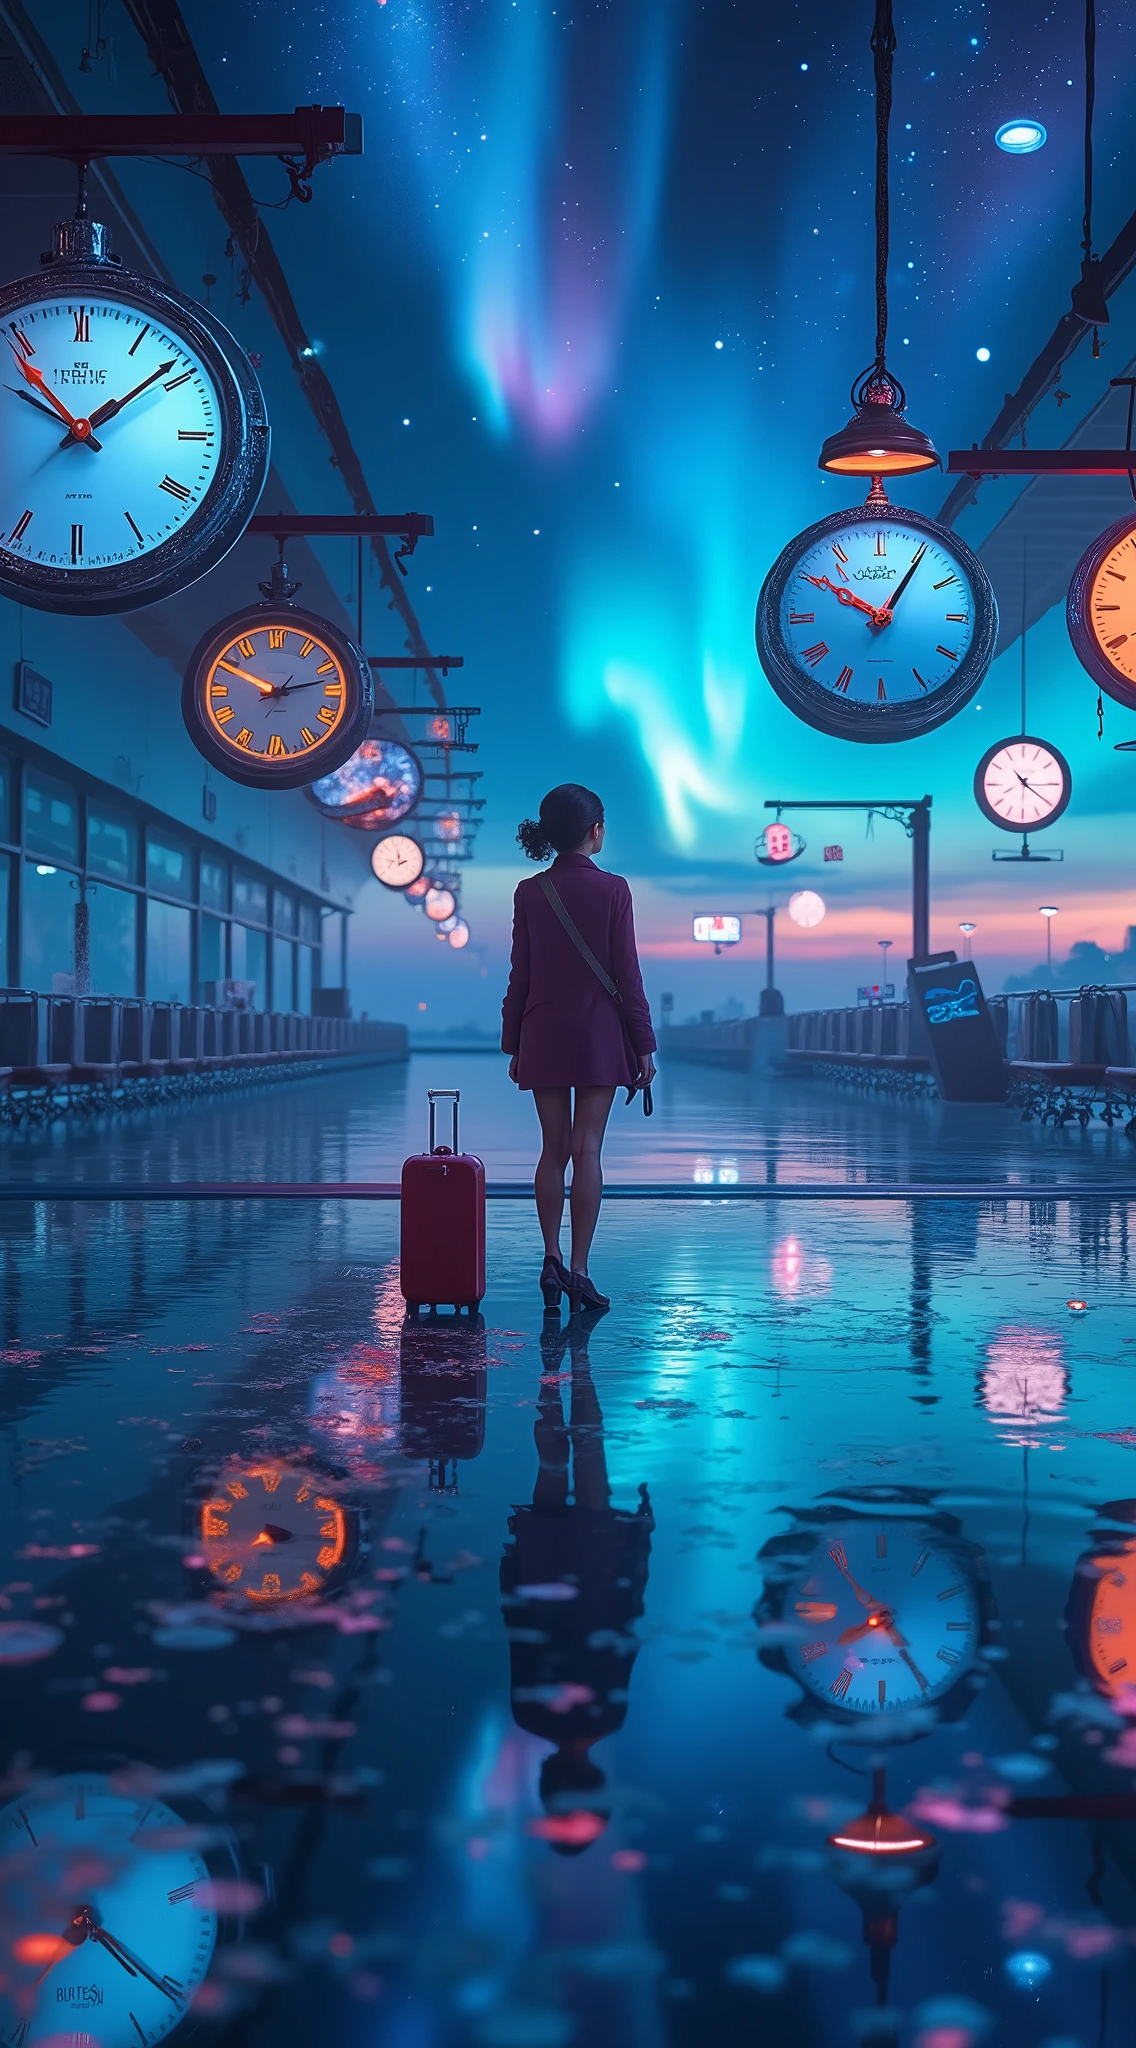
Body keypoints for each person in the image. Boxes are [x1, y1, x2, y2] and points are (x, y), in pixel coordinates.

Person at [500, 1316, 653, 1854]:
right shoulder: (530, 1715)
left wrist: (640, 1547)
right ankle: (555, 1368)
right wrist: (511, 1566)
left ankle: (581, 1366)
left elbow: (627, 1623)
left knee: (589, 1452)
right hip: (542, 1577)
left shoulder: (611, 1715)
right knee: (551, 1466)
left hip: (599, 1576)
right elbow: (519, 1631)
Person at [502, 784, 656, 1311]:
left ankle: (549, 1261)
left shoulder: (529, 892)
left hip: (542, 1033)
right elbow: (628, 978)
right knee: (588, 1149)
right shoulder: (615, 891)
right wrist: (644, 1048)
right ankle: (581, 1271)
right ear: (596, 832)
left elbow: (519, 975)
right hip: (597, 1038)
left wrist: (512, 1043)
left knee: (553, 1149)